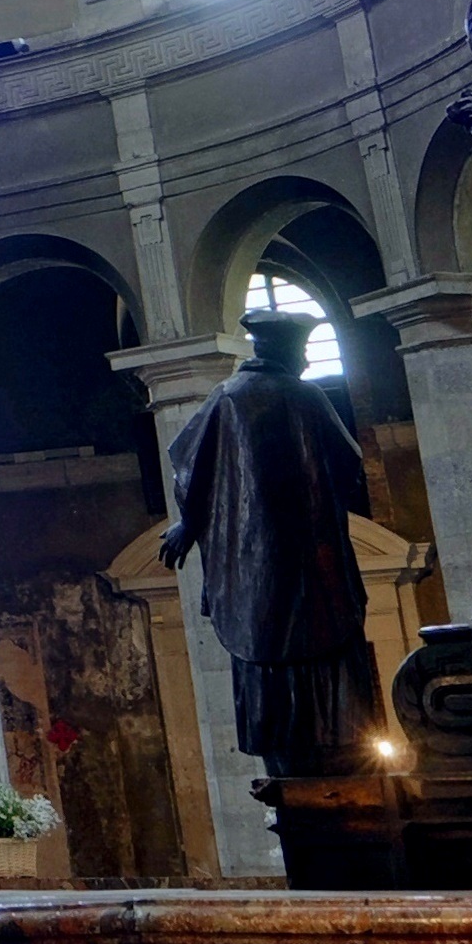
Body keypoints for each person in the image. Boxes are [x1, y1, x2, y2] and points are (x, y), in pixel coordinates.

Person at [161, 307, 382, 775]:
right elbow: (349, 467)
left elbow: (188, 469)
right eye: (300, 351)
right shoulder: (305, 396)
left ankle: (282, 765)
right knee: (327, 664)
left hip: (251, 580)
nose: (303, 360)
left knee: (264, 655)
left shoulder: (226, 398)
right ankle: (332, 755)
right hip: (313, 571)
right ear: (285, 350)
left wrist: (189, 524)